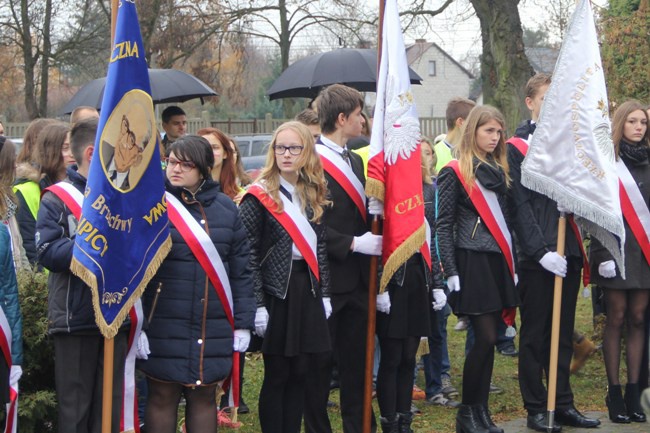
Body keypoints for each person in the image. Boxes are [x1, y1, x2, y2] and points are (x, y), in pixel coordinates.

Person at [138, 135, 255, 433]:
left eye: (185, 164)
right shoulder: (152, 206)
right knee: (163, 394)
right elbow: (135, 268)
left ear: (203, 168)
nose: (175, 169)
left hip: (212, 322)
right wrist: (137, 324)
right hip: (163, 319)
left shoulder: (227, 209)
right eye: (172, 162)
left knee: (203, 396)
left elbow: (241, 270)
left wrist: (242, 323)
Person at [508, 73, 600, 432]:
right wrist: (540, 250)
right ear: (530, 102)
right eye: (546, 98)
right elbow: (518, 206)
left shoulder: (569, 146)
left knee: (562, 336)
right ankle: (535, 406)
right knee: (534, 334)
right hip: (538, 256)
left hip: (569, 251)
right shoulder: (516, 148)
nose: (552, 106)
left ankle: (561, 402)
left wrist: (573, 198)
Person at [36, 117, 129, 433]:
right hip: (75, 320)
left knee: (107, 415)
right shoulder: (56, 199)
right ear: (92, 152)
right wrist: (92, 238)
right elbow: (48, 253)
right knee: (76, 414)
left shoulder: (123, 197)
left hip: (115, 316)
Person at [240, 121, 332, 433]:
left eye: (294, 148)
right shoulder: (258, 194)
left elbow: (320, 248)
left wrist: (327, 293)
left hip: (307, 289)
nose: (286, 154)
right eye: (280, 148)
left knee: (302, 370)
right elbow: (248, 253)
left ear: (307, 151)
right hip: (276, 292)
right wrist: (258, 303)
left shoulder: (313, 191)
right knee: (278, 373)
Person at [304, 83, 381, 433]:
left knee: (357, 363)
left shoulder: (354, 159)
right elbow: (306, 223)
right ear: (341, 118)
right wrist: (351, 244)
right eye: (359, 114)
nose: (363, 120)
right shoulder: (310, 161)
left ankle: (359, 425)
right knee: (320, 364)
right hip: (326, 279)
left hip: (359, 281)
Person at [437, 105, 519, 433]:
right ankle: (466, 415)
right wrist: (450, 270)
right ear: (473, 131)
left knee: (491, 339)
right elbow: (443, 224)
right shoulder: (455, 171)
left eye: (498, 132)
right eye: (488, 131)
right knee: (484, 337)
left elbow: (508, 221)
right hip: (470, 262)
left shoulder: (500, 169)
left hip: (496, 262)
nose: (494, 137)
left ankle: (480, 412)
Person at [374, 138, 447, 433]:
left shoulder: (428, 191)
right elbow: (380, 243)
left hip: (418, 280)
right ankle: (390, 421)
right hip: (393, 283)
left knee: (409, 356)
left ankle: (405, 420)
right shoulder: (383, 195)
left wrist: (437, 283)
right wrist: (380, 288)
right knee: (392, 357)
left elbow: (432, 242)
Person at [590, 100, 649, 424]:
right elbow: (595, 213)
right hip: (614, 251)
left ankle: (633, 391)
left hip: (645, 253)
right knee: (617, 317)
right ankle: (613, 392)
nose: (639, 127)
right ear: (621, 124)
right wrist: (600, 254)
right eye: (632, 122)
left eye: (643, 122)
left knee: (639, 319)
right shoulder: (607, 162)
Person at [13, 120, 70, 265]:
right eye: (65, 148)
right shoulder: (26, 189)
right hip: (48, 277)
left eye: (73, 147)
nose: (72, 154)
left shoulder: (79, 186)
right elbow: (29, 244)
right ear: (50, 151)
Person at [197, 127, 241, 202]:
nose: (209, 152)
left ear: (225, 153)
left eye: (214, 147)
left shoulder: (239, 195)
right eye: (203, 147)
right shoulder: (186, 192)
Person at [434, 97, 476, 174]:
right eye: (474, 122)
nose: (478, 126)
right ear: (460, 122)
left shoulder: (476, 153)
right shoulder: (433, 153)